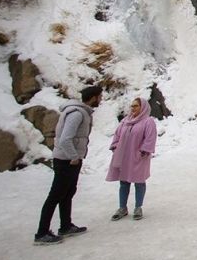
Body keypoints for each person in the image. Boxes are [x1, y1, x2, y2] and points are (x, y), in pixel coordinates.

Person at [35, 85, 103, 245]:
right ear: (93, 97)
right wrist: (74, 156)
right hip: (66, 160)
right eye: (100, 97)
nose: (101, 100)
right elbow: (66, 138)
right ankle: (42, 233)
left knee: (68, 192)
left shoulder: (80, 112)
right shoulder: (77, 114)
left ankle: (65, 225)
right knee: (55, 195)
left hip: (70, 159)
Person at [107, 96, 158, 222]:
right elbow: (117, 135)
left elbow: (150, 138)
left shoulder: (148, 121)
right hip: (123, 156)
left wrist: (144, 151)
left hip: (139, 157)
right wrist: (114, 146)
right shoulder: (125, 121)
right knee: (124, 182)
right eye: (132, 106)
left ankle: (138, 207)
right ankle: (122, 208)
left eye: (136, 106)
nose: (133, 108)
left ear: (143, 107)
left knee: (139, 182)